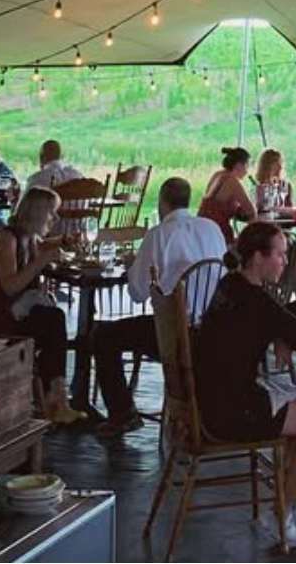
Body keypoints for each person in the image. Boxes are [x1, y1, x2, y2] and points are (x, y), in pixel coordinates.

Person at [194, 223, 296, 549]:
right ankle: (280, 511)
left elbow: (272, 323)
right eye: (280, 255)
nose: (285, 262)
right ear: (258, 257)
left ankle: (292, 503)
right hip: (232, 412)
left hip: (207, 400)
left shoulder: (230, 285)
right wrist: (283, 334)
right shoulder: (256, 300)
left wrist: (278, 334)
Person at [94, 178, 226, 437]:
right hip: (213, 331)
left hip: (175, 336)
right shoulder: (211, 228)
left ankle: (122, 413)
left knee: (103, 335)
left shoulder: (159, 235)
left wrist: (133, 265)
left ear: (162, 203)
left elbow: (137, 293)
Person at [0, 187, 76, 423]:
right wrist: (43, 260)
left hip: (16, 310)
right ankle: (55, 395)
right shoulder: (5, 239)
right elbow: (10, 287)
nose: (56, 218)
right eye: (52, 212)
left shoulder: (29, 235)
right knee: (53, 321)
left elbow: (41, 242)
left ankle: (55, 394)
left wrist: (63, 241)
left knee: (53, 319)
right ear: (37, 212)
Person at [198, 147, 256, 244]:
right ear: (238, 165)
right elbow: (251, 212)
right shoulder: (232, 181)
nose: (247, 171)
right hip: (216, 234)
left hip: (200, 230)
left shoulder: (217, 175)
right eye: (247, 166)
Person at [252, 149, 292, 215]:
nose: (281, 167)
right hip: (263, 219)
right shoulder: (258, 187)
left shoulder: (286, 186)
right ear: (267, 166)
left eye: (281, 163)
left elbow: (290, 210)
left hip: (281, 220)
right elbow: (257, 208)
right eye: (277, 164)